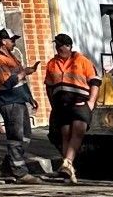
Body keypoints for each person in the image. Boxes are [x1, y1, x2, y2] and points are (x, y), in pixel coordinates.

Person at [43, 30, 100, 181]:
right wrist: (53, 104)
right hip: (62, 106)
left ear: (69, 46)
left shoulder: (82, 61)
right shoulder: (52, 63)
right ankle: (68, 169)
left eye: (61, 46)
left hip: (80, 104)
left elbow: (95, 82)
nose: (58, 48)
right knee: (65, 134)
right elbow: (49, 86)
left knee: (77, 133)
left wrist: (91, 102)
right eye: (57, 46)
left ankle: (67, 163)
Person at [0, 30, 38, 182]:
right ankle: (20, 172)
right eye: (12, 40)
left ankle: (8, 165)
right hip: (10, 102)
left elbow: (20, 82)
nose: (14, 43)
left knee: (26, 136)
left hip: (20, 100)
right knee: (16, 137)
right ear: (3, 41)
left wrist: (29, 98)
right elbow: (8, 82)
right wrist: (24, 72)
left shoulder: (12, 57)